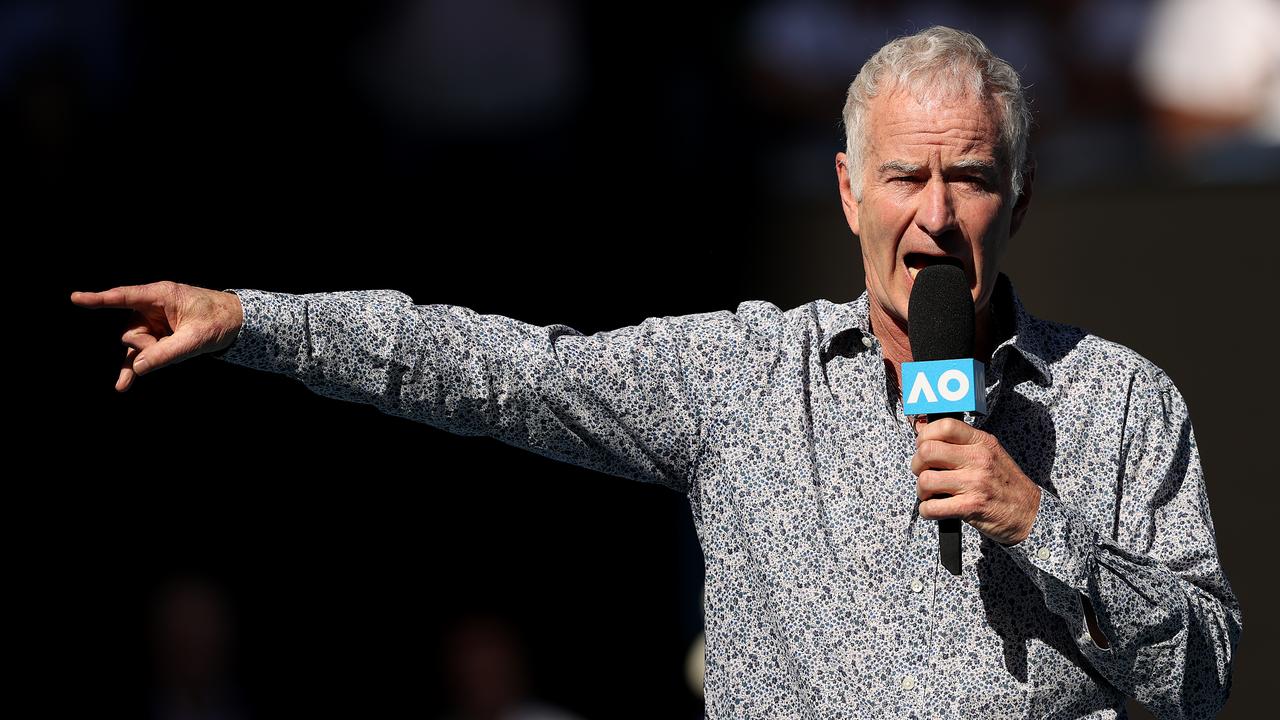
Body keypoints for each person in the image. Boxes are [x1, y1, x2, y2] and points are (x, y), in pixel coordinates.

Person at [71, 25, 1239, 720]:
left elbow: (1202, 676)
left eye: (970, 180)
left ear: (1019, 199)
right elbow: (496, 370)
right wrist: (254, 320)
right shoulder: (737, 378)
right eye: (902, 179)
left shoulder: (1117, 400)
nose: (933, 218)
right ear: (844, 190)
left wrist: (1040, 521)